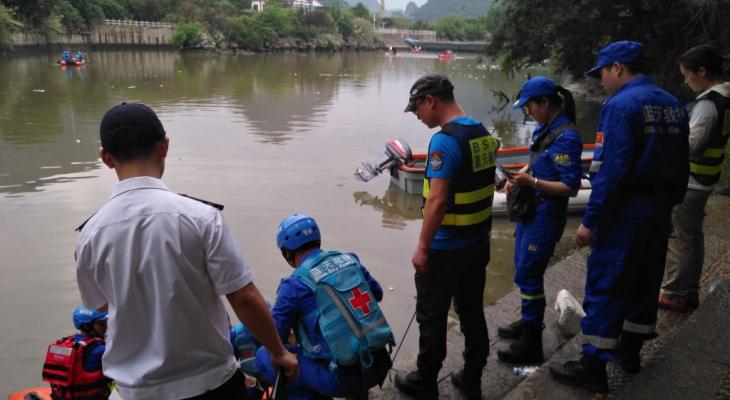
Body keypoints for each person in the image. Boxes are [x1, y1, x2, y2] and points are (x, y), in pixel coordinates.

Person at [75, 102, 298, 400]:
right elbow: (243, 298)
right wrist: (279, 352)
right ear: (164, 146)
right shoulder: (201, 218)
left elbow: (101, 305)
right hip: (210, 384)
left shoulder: (90, 235)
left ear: (106, 158)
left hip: (134, 391)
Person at [549, 41, 689, 392]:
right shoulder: (674, 105)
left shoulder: (620, 106)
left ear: (618, 67)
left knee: (607, 284)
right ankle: (630, 354)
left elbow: (611, 171)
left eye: (603, 74)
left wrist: (591, 220)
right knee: (645, 281)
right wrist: (670, 205)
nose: (601, 82)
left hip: (625, 212)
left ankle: (592, 367)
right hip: (659, 211)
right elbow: (682, 164)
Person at [394, 74, 495, 400]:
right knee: (472, 313)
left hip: (446, 249)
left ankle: (425, 383)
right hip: (477, 243)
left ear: (430, 101)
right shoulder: (480, 132)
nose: (418, 116)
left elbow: (436, 201)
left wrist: (423, 247)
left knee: (431, 317)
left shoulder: (444, 141)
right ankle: (472, 378)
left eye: (417, 110)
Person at [255, 214, 393, 400]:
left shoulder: (293, 285)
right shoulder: (350, 259)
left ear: (287, 253)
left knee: (264, 355)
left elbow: (275, 338)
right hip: (378, 364)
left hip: (341, 380)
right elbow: (378, 294)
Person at [496, 77, 583, 364]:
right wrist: (519, 177)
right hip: (530, 213)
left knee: (530, 274)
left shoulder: (567, 137)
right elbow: (535, 161)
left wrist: (531, 181)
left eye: (530, 106)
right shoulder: (544, 129)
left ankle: (531, 343)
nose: (528, 112)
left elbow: (569, 187)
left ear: (545, 102)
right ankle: (527, 321)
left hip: (546, 217)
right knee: (522, 269)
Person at [659, 45, 730, 312]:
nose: (686, 81)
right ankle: (689, 290)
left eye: (687, 75)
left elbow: (690, 145)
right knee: (693, 236)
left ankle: (674, 292)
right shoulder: (724, 98)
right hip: (706, 179)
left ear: (702, 71)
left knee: (679, 238)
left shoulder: (708, 104)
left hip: (691, 181)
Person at [42, 306, 112, 400]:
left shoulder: (68, 342)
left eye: (106, 323)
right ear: (87, 326)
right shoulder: (99, 350)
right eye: (101, 324)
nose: (106, 327)